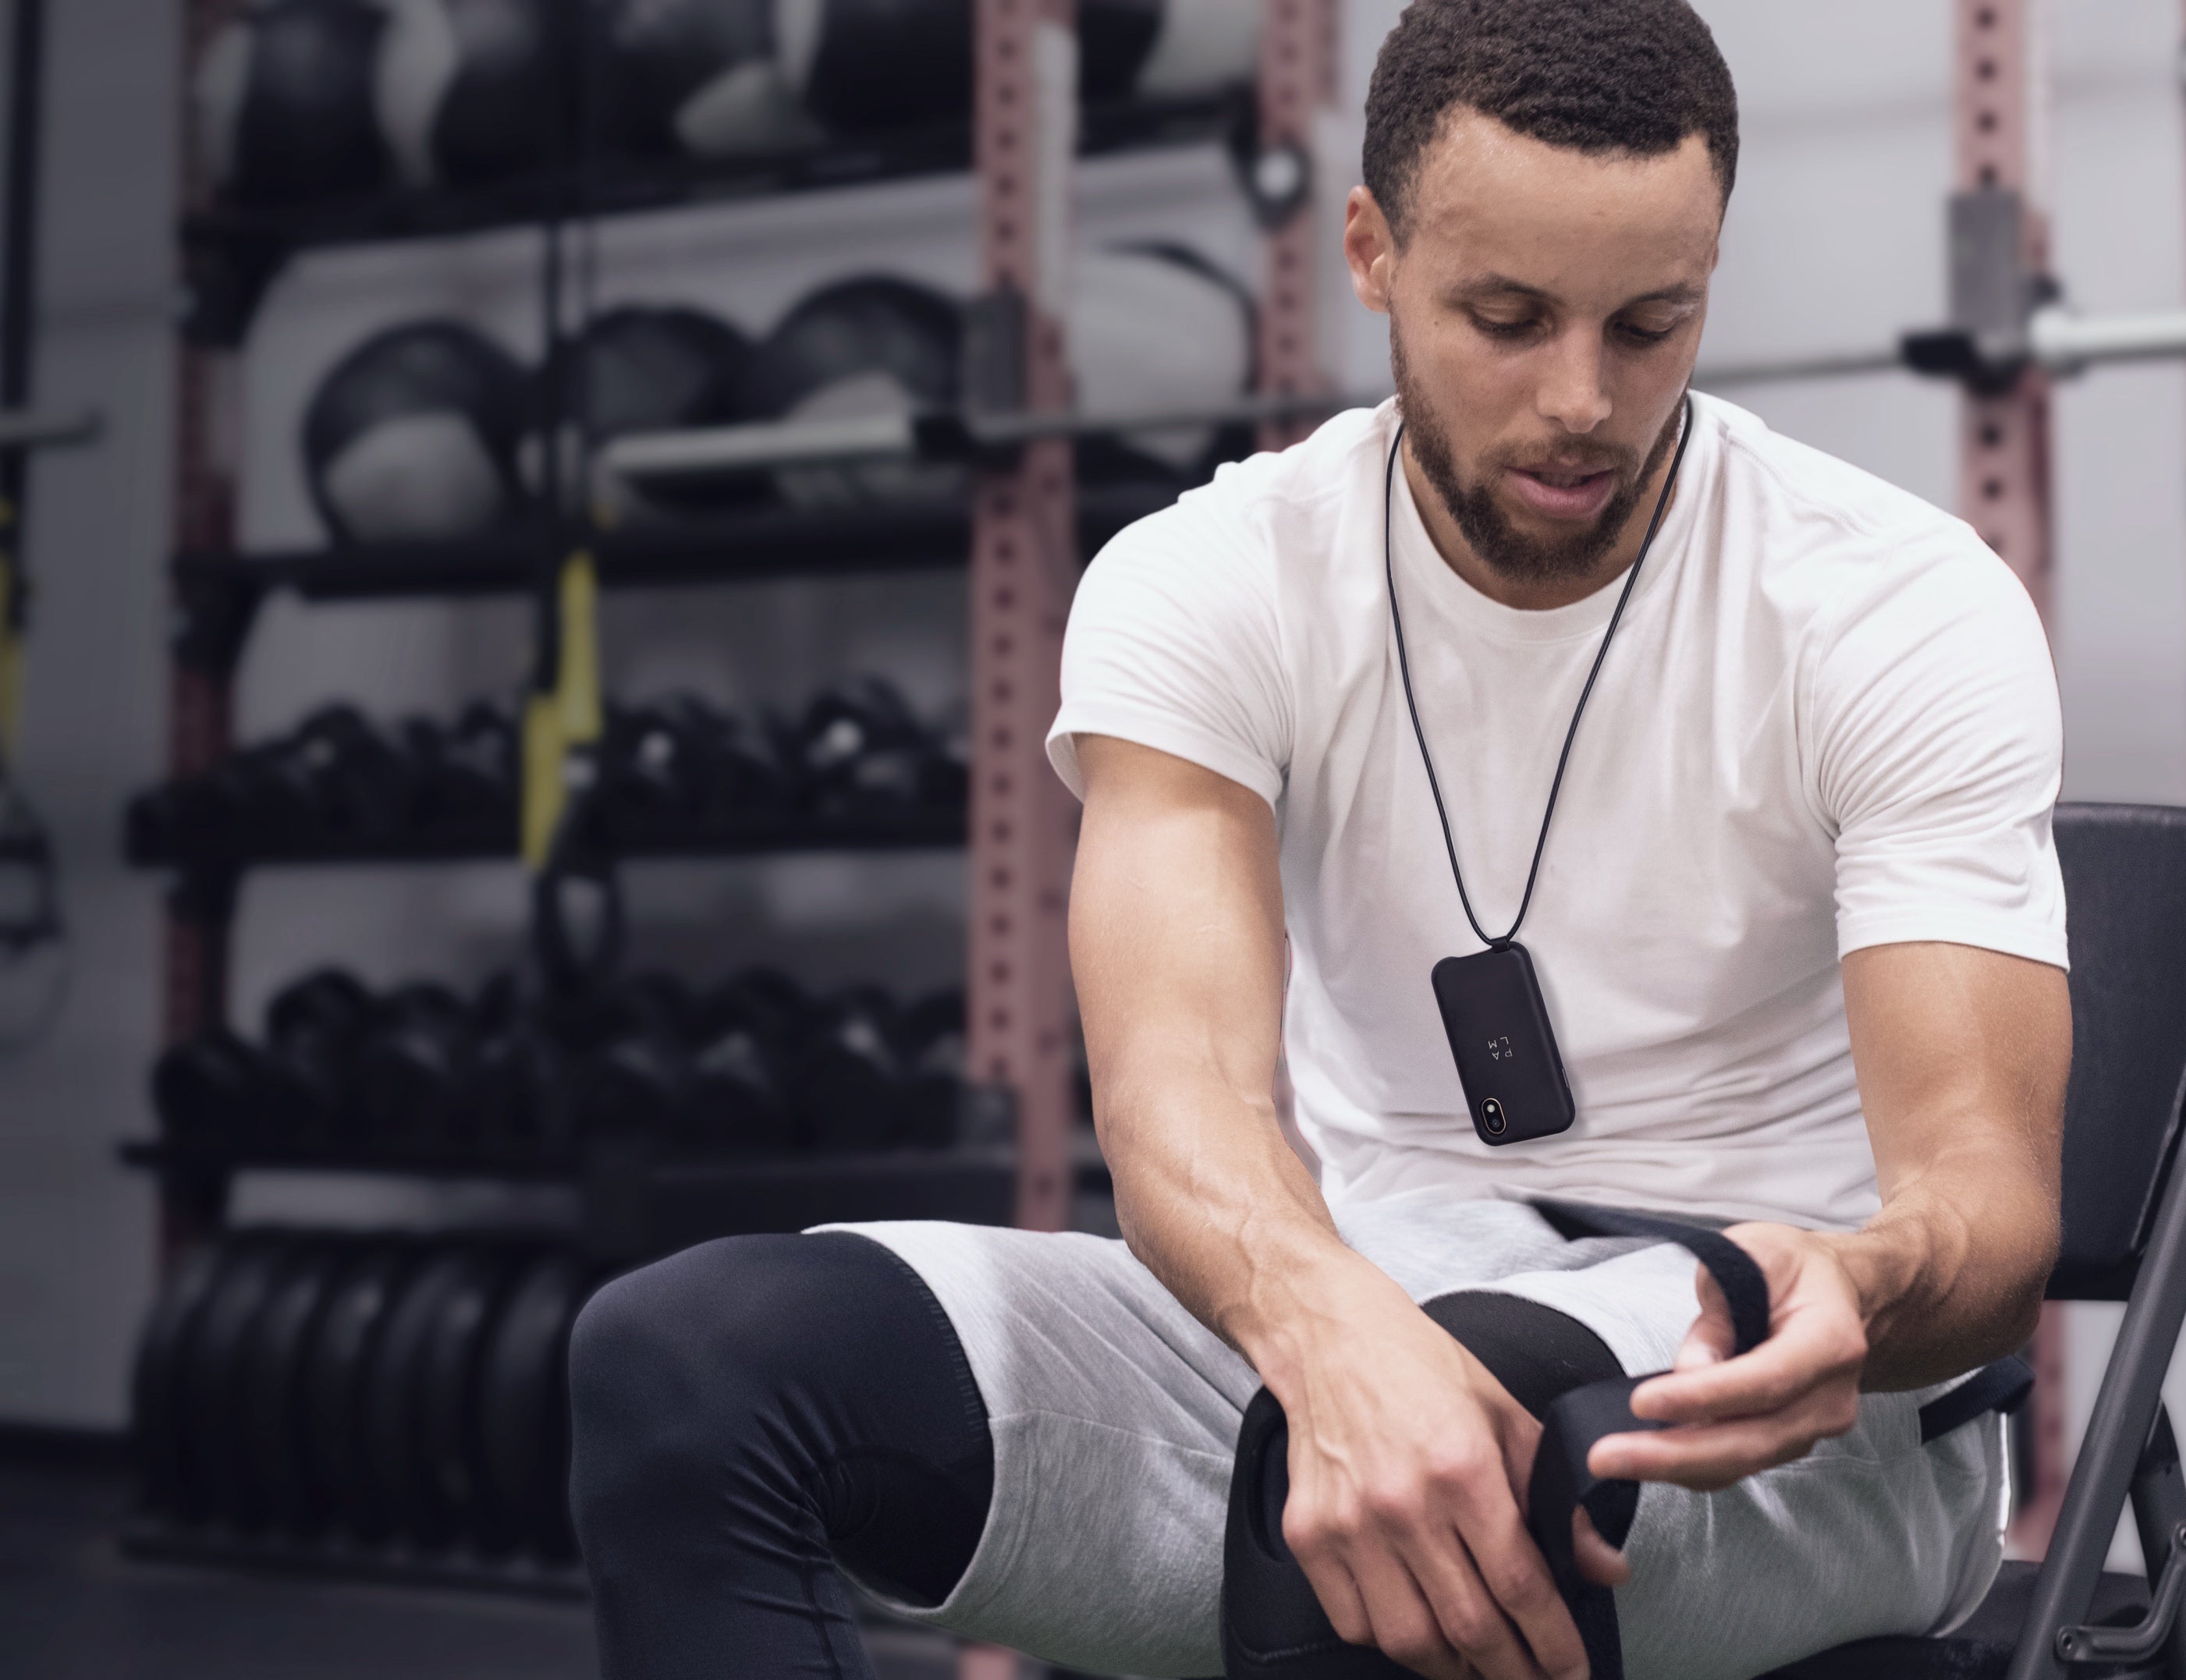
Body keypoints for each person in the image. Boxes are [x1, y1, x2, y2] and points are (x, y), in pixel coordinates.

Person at [567, 3, 2070, 1678]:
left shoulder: (1891, 604)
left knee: (1451, 1454)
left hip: (1765, 1402)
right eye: (1506, 318)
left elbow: (1987, 1216)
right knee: (690, 1360)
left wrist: (1862, 1288)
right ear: (1371, 252)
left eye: (1652, 322)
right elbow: (1178, 1101)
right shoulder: (1213, 579)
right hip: (1350, 1315)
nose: (1584, 401)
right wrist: (1324, 1329)